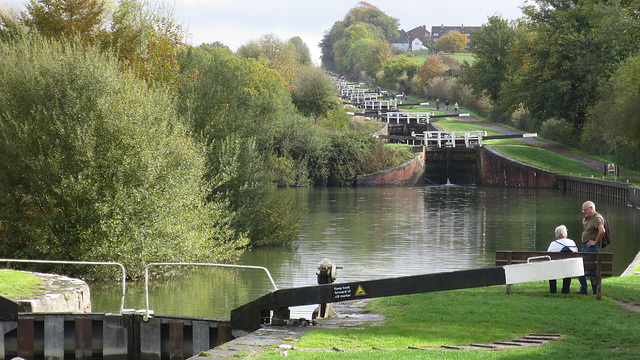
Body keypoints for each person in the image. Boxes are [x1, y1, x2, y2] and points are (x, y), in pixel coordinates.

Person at [577, 201, 606, 294]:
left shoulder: (597, 218)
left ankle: (594, 291)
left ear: (591, 208)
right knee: (583, 267)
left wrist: (595, 242)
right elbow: (589, 232)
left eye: (585, 210)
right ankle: (584, 289)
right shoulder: (590, 219)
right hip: (586, 246)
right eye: (583, 210)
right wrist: (585, 225)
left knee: (590, 269)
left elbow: (602, 231)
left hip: (591, 248)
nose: (584, 212)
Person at [547, 225, 578, 294]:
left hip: (556, 268)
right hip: (570, 267)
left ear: (556, 234)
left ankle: (553, 290)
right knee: (568, 266)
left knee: (551, 268)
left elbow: (548, 256)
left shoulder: (553, 244)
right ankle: (566, 290)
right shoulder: (572, 242)